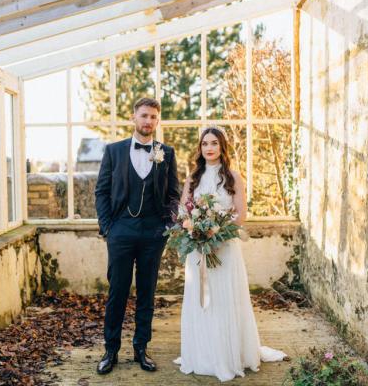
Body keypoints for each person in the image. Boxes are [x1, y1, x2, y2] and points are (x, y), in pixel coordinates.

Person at [174, 127, 286, 382]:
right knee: (202, 301)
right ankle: (203, 354)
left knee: (225, 300)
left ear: (222, 147)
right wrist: (197, 231)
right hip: (198, 251)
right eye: (205, 143)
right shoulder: (193, 178)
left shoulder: (233, 177)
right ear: (200, 148)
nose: (209, 148)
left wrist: (216, 231)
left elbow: (240, 215)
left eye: (214, 143)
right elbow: (183, 212)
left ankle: (228, 354)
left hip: (225, 249)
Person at [94, 97, 180, 375]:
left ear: (157, 120)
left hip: (153, 234)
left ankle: (141, 348)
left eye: (153, 117)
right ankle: (111, 350)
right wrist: (108, 227)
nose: (148, 121)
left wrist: (166, 226)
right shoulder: (114, 151)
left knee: (147, 293)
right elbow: (101, 191)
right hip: (120, 232)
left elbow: (173, 194)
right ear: (134, 117)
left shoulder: (166, 152)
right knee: (117, 291)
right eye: (144, 115)